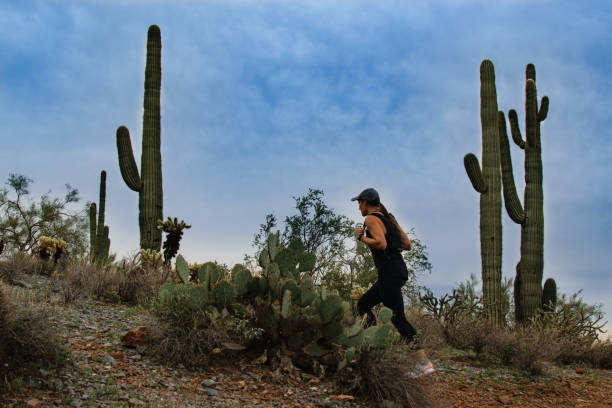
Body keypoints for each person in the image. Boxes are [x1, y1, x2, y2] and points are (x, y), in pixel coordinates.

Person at [351, 187, 435, 377]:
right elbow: (407, 245)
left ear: (366, 202)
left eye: (359, 203)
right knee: (363, 304)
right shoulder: (388, 218)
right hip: (397, 271)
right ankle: (370, 345)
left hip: (389, 272)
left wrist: (361, 237)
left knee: (398, 318)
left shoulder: (371, 218)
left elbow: (381, 244)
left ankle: (424, 363)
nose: (358, 207)